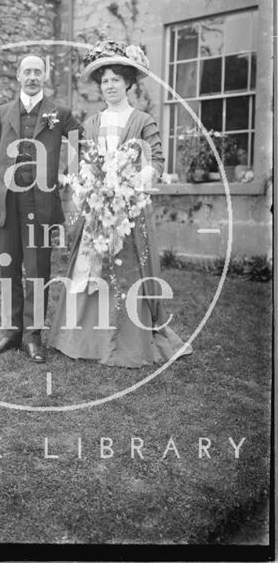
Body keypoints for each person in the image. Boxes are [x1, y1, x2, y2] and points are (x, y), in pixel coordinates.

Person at [49, 41, 192, 367]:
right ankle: (87, 340)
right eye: (104, 80)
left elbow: (155, 161)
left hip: (129, 211)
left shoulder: (142, 120)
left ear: (128, 82)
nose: (109, 85)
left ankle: (129, 341)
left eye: (115, 79)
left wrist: (132, 181)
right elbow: (83, 163)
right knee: (91, 267)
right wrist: (89, 186)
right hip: (98, 209)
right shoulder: (90, 124)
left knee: (126, 270)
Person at [0, 54, 81, 363]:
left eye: (38, 71)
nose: (33, 76)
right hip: (6, 200)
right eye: (28, 71)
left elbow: (81, 143)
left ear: (45, 76)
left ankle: (33, 336)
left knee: (38, 269)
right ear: (18, 75)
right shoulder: (1, 113)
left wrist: (70, 174)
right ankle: (12, 333)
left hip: (41, 202)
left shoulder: (59, 113)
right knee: (9, 267)